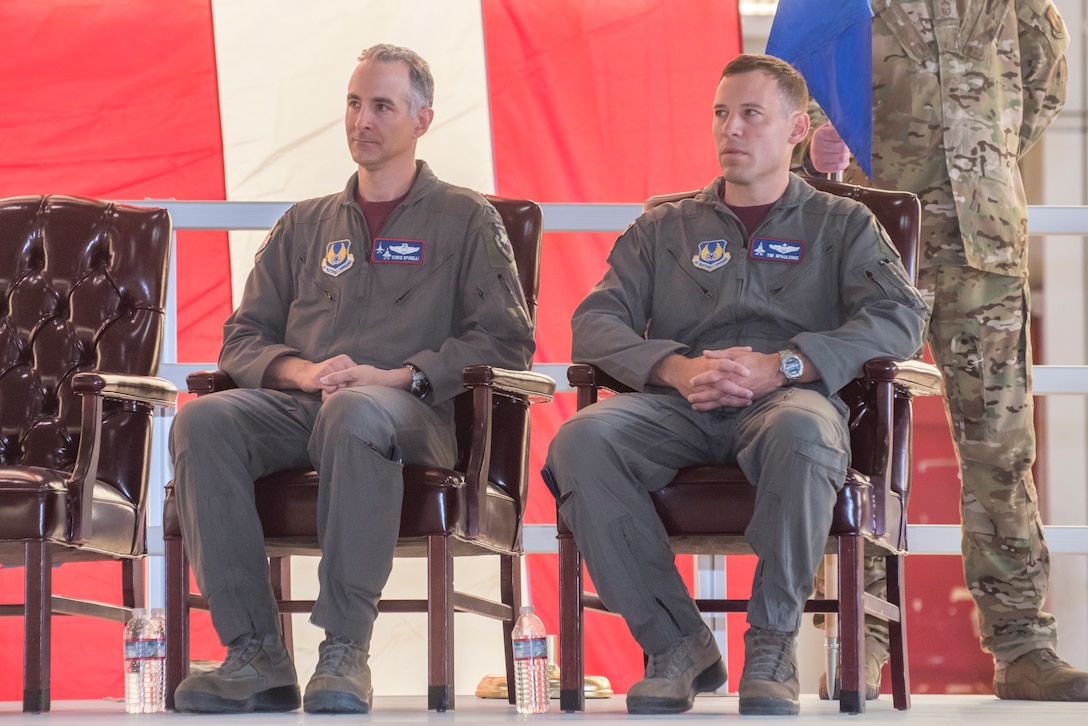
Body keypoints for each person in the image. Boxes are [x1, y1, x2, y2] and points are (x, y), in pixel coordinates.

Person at [543, 53, 928, 716]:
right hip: (678, 407)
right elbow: (594, 322)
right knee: (580, 439)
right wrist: (673, 368)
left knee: (804, 431)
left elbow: (902, 317)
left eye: (751, 114)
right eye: (722, 114)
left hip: (788, 403)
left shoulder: (842, 226)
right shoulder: (667, 226)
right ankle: (675, 645)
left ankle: (772, 647)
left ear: (795, 129)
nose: (732, 129)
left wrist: (785, 365)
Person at [168, 43, 535, 714]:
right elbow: (242, 337)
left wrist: (400, 375)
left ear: (422, 120)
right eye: (354, 103)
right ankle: (254, 652)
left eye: (382, 107)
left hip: (412, 412)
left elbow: (508, 335)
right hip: (305, 406)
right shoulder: (305, 224)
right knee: (203, 420)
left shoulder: (466, 219)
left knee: (358, 410)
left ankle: (345, 649)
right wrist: (301, 371)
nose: (362, 120)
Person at [801, 0, 1088, 702]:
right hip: (871, 242)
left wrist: (979, 156)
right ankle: (857, 641)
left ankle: (1023, 644)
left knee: (1001, 446)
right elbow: (791, 85)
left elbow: (1045, 81)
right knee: (855, 444)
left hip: (982, 239)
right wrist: (812, 141)